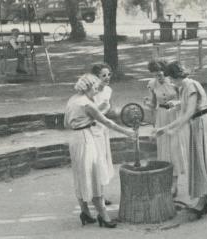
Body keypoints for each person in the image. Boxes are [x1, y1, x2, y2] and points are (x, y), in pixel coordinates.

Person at [154, 61, 207, 218]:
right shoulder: (184, 87)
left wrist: (170, 128)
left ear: (177, 76)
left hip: (203, 124)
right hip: (196, 123)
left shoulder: (190, 85)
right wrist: (163, 128)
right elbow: (185, 109)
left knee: (202, 162)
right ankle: (202, 201)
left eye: (172, 79)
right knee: (198, 162)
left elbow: (188, 113)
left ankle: (202, 203)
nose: (171, 82)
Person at [64, 73, 135, 228]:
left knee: (81, 175)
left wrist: (83, 121)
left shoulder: (73, 100)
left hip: (74, 139)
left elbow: (66, 124)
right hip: (85, 139)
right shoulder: (87, 104)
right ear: (89, 87)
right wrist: (127, 132)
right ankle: (104, 216)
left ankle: (85, 213)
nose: (97, 91)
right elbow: (107, 122)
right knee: (94, 175)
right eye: (95, 88)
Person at [143, 60, 187, 198]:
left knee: (174, 149)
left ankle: (174, 185)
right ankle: (166, 183)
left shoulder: (174, 83)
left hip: (174, 116)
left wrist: (175, 104)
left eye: (161, 74)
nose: (159, 77)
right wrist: (147, 103)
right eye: (156, 75)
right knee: (163, 150)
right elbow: (153, 104)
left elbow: (184, 101)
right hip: (161, 117)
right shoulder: (152, 84)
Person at [91, 63, 116, 206]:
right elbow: (87, 112)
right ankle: (96, 195)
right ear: (96, 77)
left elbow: (109, 109)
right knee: (97, 160)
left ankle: (100, 194)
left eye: (109, 75)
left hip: (103, 128)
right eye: (103, 75)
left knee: (104, 160)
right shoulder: (91, 92)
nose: (107, 78)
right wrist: (98, 109)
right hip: (93, 129)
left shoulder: (108, 90)